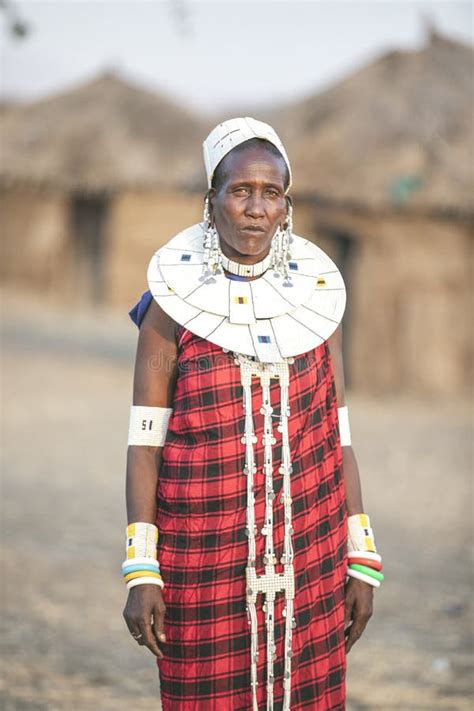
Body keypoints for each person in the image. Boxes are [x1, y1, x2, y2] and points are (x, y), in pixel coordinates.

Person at [122, 117, 383, 711]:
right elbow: (145, 444)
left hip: (311, 553)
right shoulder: (170, 307)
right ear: (211, 200)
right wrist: (142, 568)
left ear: (286, 207)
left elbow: (337, 438)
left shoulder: (318, 303)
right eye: (240, 190)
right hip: (202, 556)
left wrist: (362, 554)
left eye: (271, 193)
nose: (255, 208)